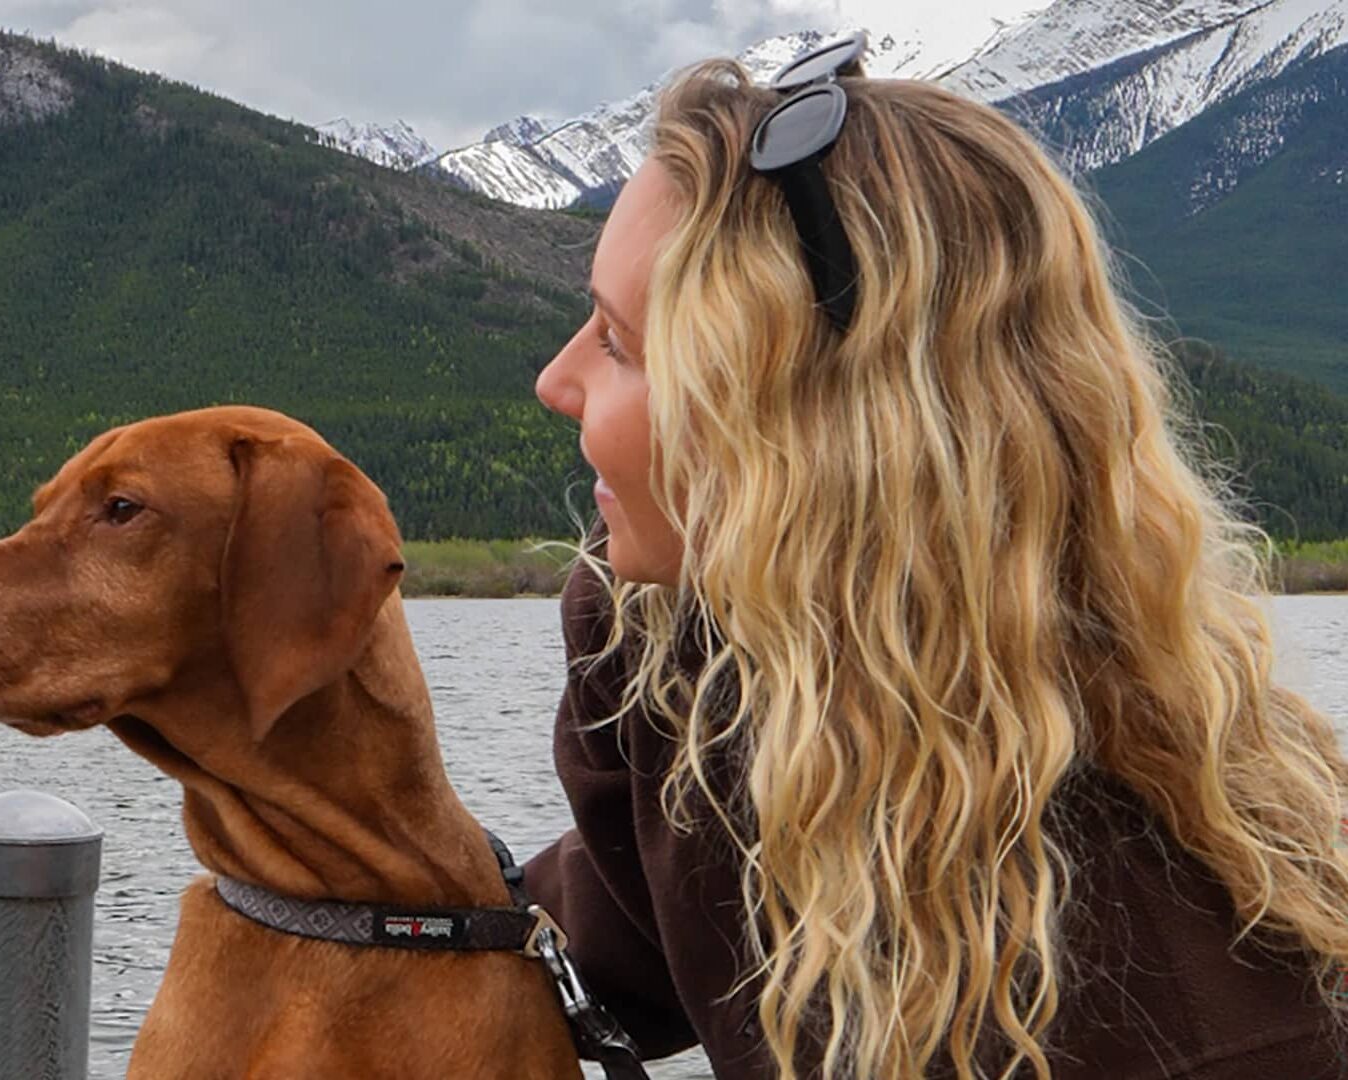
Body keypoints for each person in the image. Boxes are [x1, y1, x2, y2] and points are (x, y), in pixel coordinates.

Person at [521, 39, 1348, 1080]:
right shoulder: (682, 646)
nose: (553, 380)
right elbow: (612, 946)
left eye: (619, 343)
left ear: (805, 446)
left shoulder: (1192, 1013)